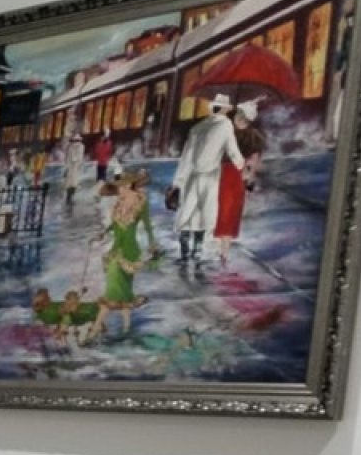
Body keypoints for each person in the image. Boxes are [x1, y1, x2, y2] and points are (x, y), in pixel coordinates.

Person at [168, 93, 244, 269]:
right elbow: (232, 150)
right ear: (224, 109)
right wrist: (241, 165)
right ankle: (197, 251)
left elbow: (186, 156)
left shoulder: (197, 127)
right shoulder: (225, 125)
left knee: (188, 211)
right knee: (204, 213)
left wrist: (178, 181)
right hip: (210, 176)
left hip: (191, 175)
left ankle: (184, 251)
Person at [100, 168, 160, 338]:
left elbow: (147, 225)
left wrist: (153, 244)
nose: (118, 190)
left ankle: (122, 326)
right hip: (115, 249)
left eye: (120, 186)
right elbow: (116, 224)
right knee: (115, 285)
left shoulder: (141, 202)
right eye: (117, 187)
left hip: (130, 250)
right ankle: (117, 325)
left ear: (128, 185)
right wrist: (104, 232)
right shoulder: (119, 202)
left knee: (123, 287)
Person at [213, 98, 267, 266]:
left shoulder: (251, 136)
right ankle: (221, 249)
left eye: (241, 116)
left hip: (235, 175)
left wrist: (249, 176)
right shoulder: (227, 130)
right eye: (238, 115)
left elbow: (254, 159)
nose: (238, 118)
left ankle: (223, 251)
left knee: (229, 212)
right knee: (221, 211)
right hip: (223, 173)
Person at [62, 134, 88, 209]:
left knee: (74, 183)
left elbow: (79, 157)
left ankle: (71, 197)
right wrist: (66, 168)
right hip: (70, 168)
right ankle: (68, 197)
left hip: (76, 168)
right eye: (75, 140)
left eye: (77, 140)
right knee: (69, 183)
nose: (75, 142)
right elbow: (68, 158)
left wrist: (76, 161)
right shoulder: (70, 147)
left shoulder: (81, 147)